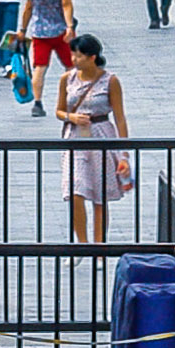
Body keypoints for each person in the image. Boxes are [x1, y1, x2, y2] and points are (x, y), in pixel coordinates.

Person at [57, 34, 131, 243]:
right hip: (75, 137)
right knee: (75, 190)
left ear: (92, 57)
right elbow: (59, 110)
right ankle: (82, 242)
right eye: (73, 55)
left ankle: (99, 247)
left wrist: (124, 153)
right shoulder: (67, 79)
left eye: (79, 56)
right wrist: (71, 117)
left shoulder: (110, 81)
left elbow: (120, 118)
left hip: (101, 136)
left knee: (100, 196)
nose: (74, 60)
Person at [22, 0, 76, 116]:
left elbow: (28, 6)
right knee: (71, 66)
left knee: (40, 67)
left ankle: (37, 103)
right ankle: (72, 99)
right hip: (59, 29)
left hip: (39, 30)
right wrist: (70, 26)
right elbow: (66, 3)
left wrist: (22, 29)